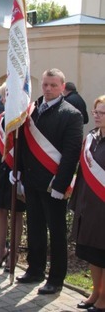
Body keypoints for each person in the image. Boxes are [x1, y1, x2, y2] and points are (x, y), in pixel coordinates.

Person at [15, 68, 83, 295]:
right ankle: (35, 270)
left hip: (53, 185)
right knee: (34, 228)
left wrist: (60, 185)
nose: (48, 89)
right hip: (32, 181)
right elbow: (24, 143)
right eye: (45, 84)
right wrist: (19, 172)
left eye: (54, 85)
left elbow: (71, 154)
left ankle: (56, 279)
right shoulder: (32, 109)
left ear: (63, 87)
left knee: (56, 232)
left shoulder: (71, 114)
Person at [69, 95, 105, 311]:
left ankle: (104, 299)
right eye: (96, 112)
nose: (97, 116)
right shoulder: (91, 138)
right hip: (88, 204)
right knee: (92, 252)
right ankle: (96, 292)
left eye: (102, 113)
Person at [0, 82, 25, 269]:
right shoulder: (2, 117)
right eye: (2, 96)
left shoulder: (23, 118)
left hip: (16, 171)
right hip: (0, 170)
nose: (2, 100)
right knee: (0, 210)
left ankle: (14, 254)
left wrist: (21, 171)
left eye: (5, 96)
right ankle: (1, 250)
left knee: (16, 212)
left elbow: (27, 147)